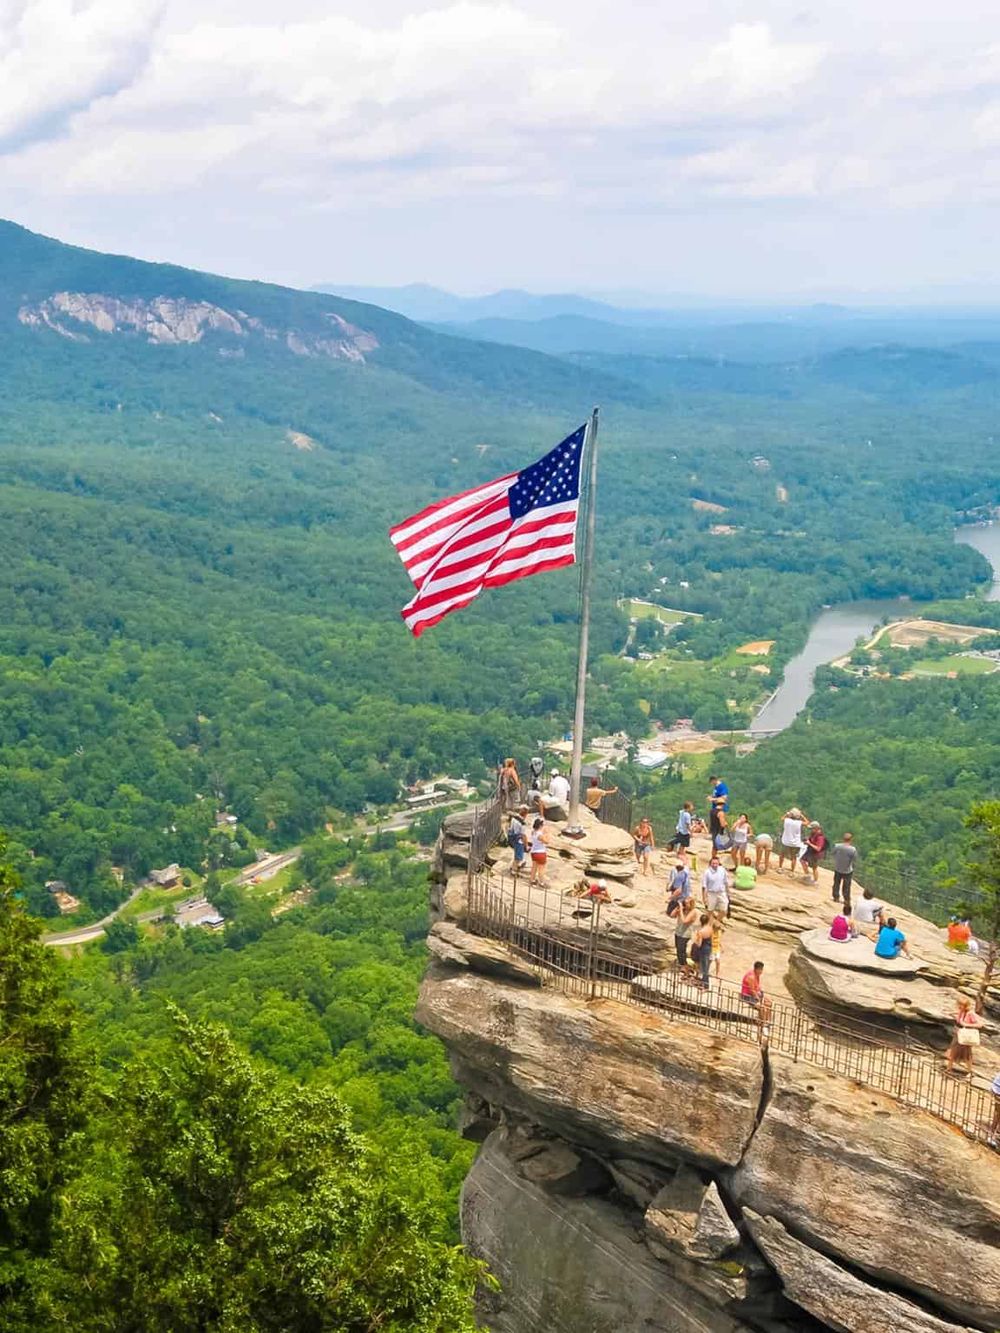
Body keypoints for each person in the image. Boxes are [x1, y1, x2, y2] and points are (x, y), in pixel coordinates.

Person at [946, 996, 983, 1077]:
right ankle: (949, 1068)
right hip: (959, 1035)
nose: (959, 1007)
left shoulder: (970, 1013)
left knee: (966, 1055)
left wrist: (966, 1024)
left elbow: (980, 1024)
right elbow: (959, 1019)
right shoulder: (961, 1012)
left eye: (961, 1005)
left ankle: (970, 1071)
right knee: (953, 1052)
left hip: (965, 1037)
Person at [741, 960, 772, 1027]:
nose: (762, 971)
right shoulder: (751, 977)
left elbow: (758, 987)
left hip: (755, 994)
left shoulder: (757, 975)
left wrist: (763, 996)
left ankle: (768, 1021)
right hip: (747, 996)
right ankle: (762, 1023)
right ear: (757, 969)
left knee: (769, 1003)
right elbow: (752, 991)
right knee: (761, 1007)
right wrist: (759, 1000)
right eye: (761, 970)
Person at [831, 833, 857, 909]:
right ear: (851, 840)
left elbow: (832, 853)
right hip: (847, 870)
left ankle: (836, 897)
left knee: (836, 883)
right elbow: (854, 859)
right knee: (846, 886)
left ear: (843, 839)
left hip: (838, 868)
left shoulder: (837, 846)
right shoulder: (852, 849)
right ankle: (846, 900)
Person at [690, 912, 714, 989]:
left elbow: (699, 944)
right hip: (709, 948)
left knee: (704, 968)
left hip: (703, 950)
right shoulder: (710, 929)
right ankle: (703, 982)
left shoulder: (701, 932)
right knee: (706, 966)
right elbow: (712, 940)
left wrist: (695, 941)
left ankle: (705, 985)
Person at [674, 899, 699, 970]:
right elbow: (672, 915)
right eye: (684, 903)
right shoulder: (683, 910)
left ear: (691, 904)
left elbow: (684, 921)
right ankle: (682, 965)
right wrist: (677, 908)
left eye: (686, 903)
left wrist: (681, 910)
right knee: (678, 950)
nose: (685, 904)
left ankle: (684, 966)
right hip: (678, 932)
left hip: (685, 934)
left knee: (681, 950)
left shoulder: (693, 912)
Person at [507, 804, 529, 876]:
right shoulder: (522, 823)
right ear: (526, 814)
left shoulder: (514, 818)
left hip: (511, 836)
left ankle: (513, 866)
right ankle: (514, 870)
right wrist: (526, 845)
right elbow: (523, 835)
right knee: (518, 857)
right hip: (518, 839)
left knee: (516, 853)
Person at [528, 818, 549, 886]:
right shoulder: (540, 835)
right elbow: (546, 841)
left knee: (534, 867)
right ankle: (541, 882)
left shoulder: (533, 832)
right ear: (540, 826)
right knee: (541, 869)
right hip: (540, 852)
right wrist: (546, 833)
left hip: (533, 852)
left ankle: (532, 879)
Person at [710, 911, 725, 979]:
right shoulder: (711, 932)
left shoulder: (719, 932)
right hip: (712, 948)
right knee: (710, 961)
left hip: (717, 948)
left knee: (718, 961)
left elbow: (719, 940)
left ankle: (717, 973)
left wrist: (722, 947)